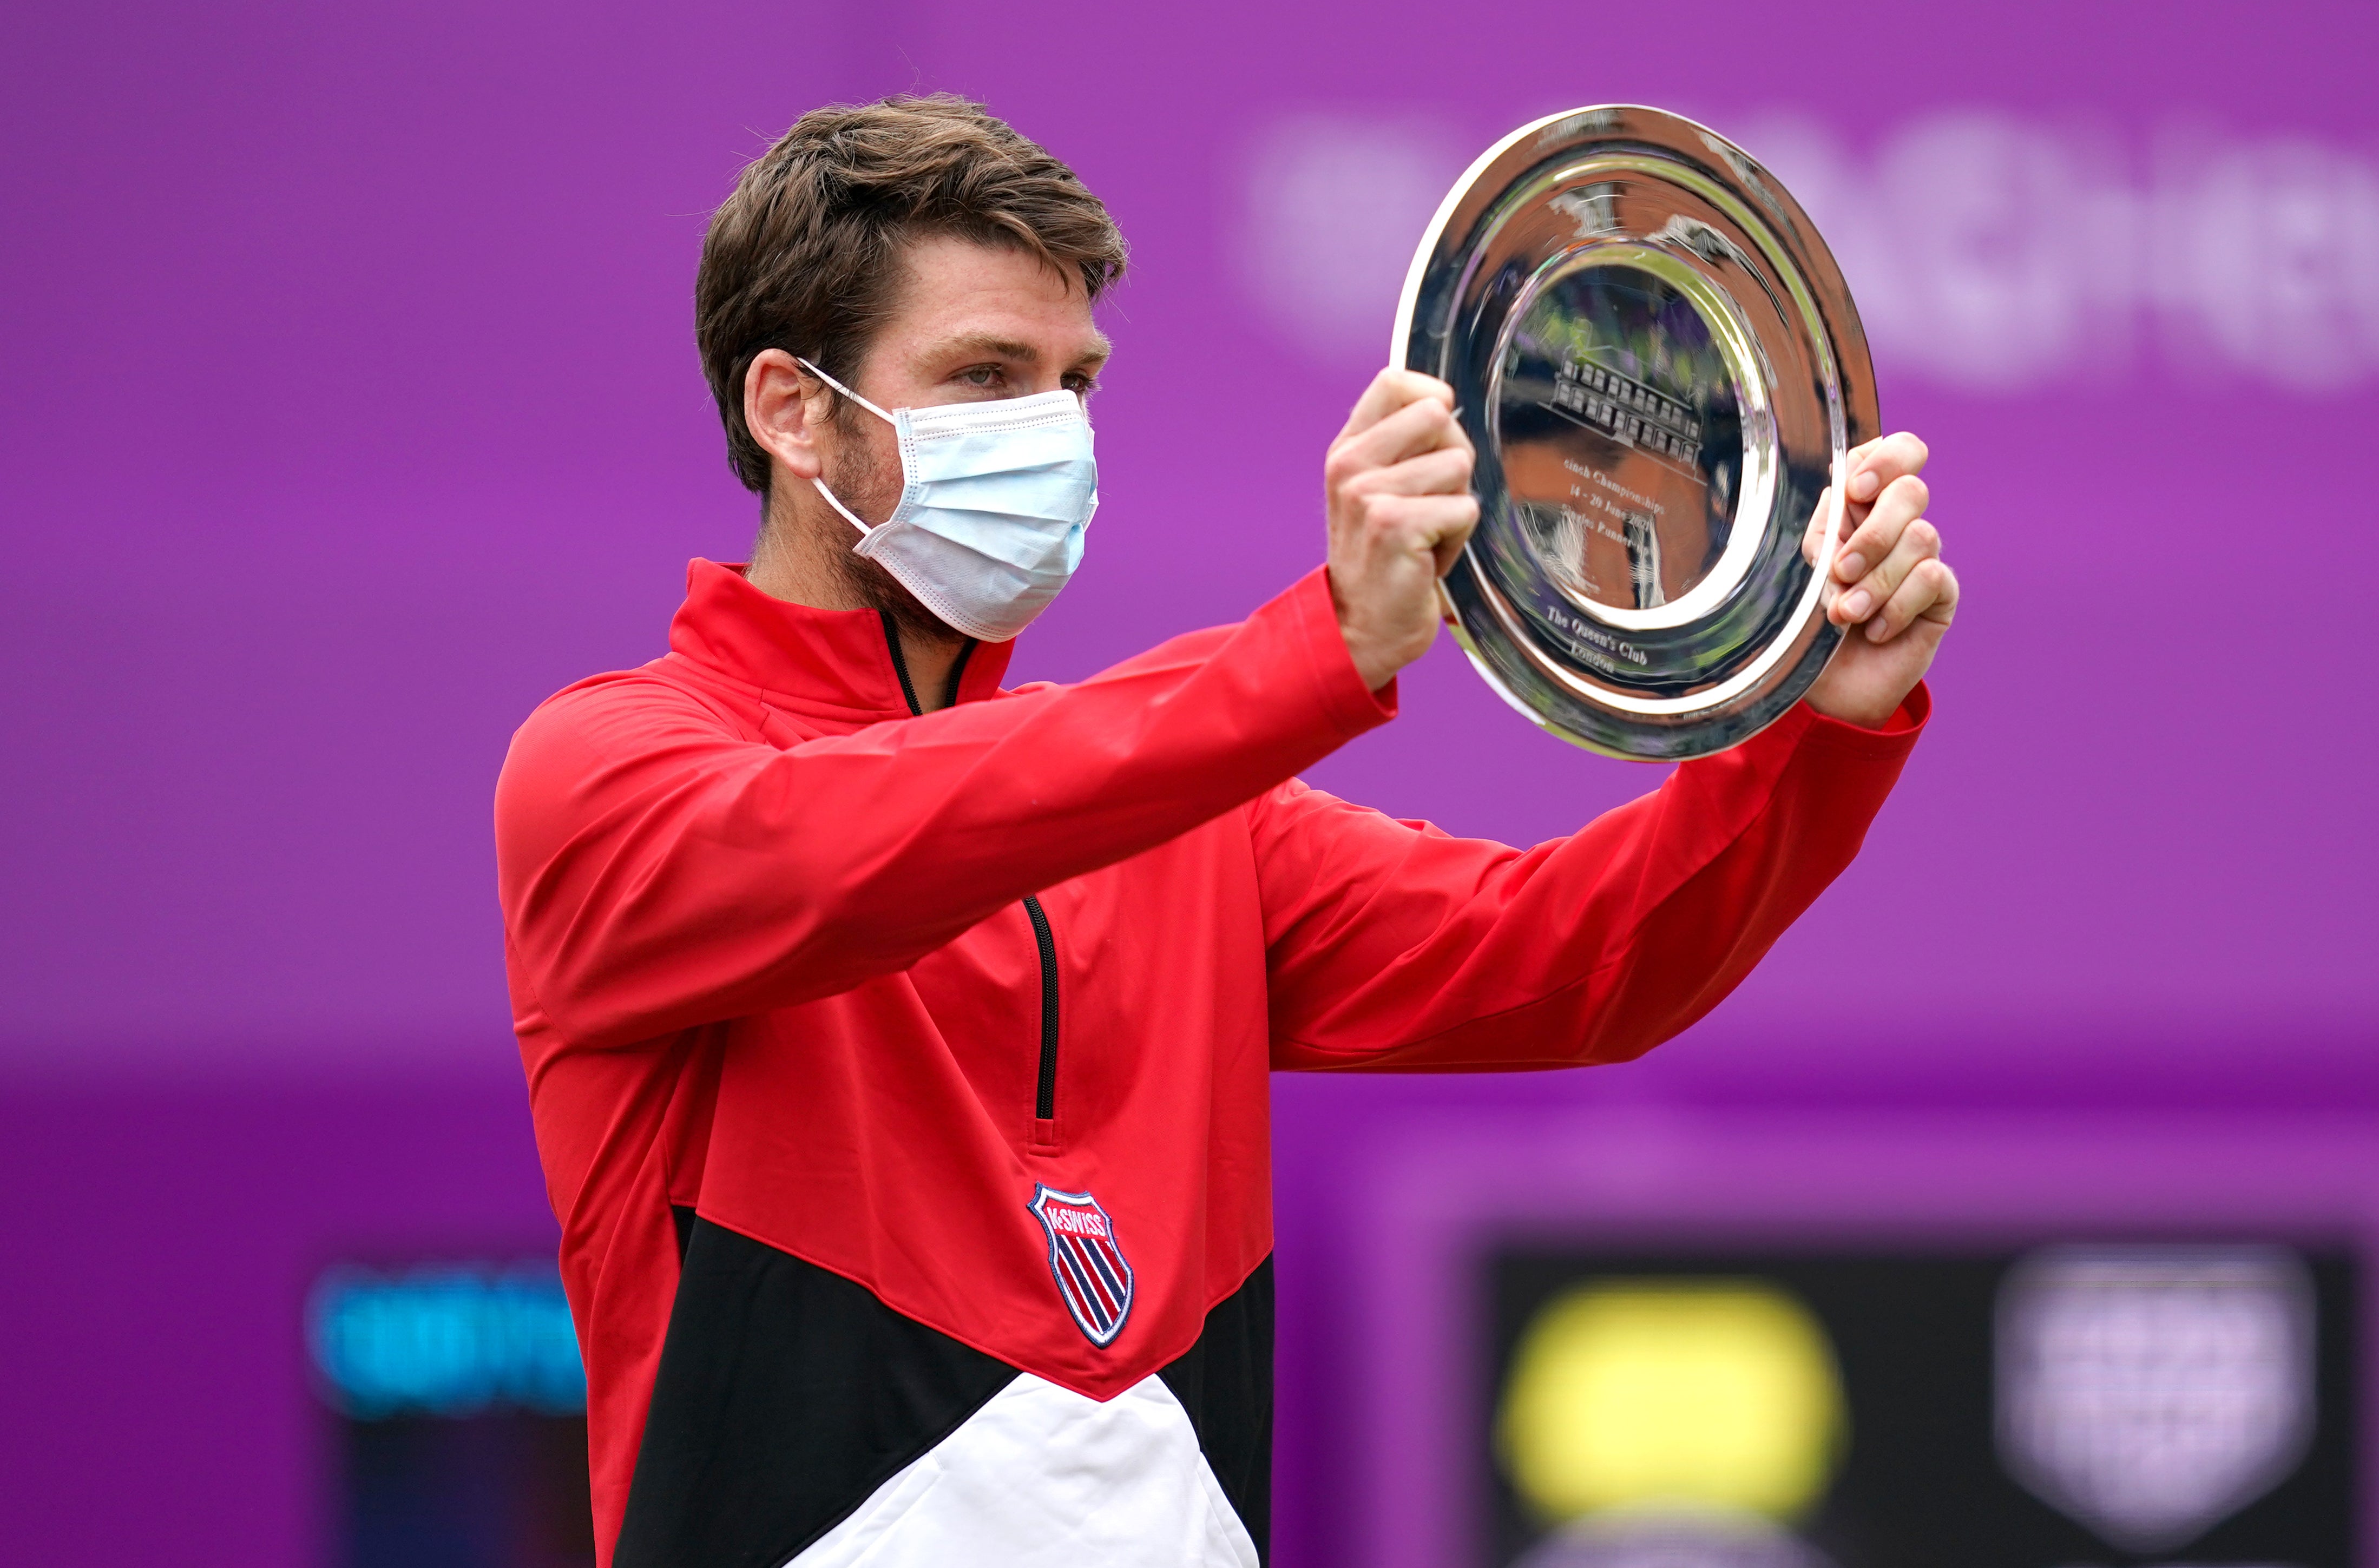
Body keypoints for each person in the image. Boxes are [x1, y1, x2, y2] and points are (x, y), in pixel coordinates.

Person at [494, 95, 1955, 1568]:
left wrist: (1816, 730)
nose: (1048, 432)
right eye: (983, 376)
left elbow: (1584, 958)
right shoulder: (607, 779)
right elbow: (874, 829)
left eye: (1074, 382)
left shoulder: (1191, 821)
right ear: (791, 409)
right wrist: (1316, 649)